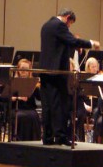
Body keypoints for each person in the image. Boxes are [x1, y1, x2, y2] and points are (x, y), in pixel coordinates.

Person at [38, 8, 99, 146]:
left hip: (45, 71)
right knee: (59, 105)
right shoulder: (59, 25)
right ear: (67, 17)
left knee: (47, 105)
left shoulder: (46, 25)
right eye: (70, 23)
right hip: (57, 72)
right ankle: (60, 136)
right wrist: (91, 43)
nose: (69, 26)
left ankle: (47, 137)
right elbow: (72, 40)